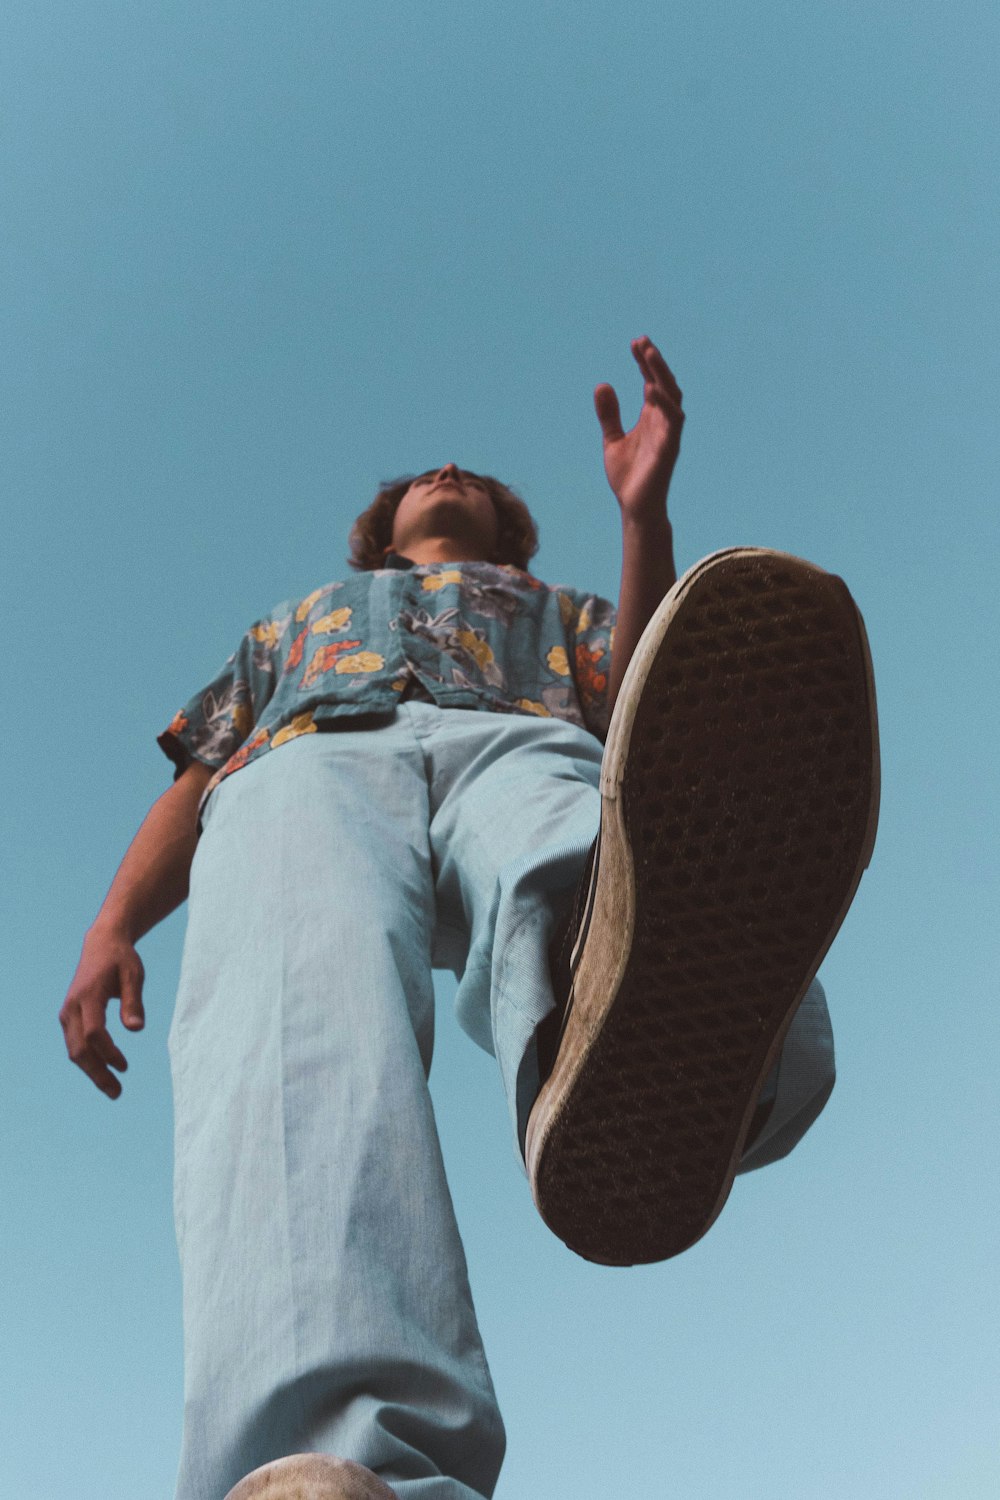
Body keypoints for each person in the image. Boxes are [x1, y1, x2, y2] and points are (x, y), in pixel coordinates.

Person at [59, 336, 880, 1500]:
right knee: (299, 1018)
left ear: (509, 532)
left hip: (522, 737)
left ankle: (636, 1034)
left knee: (573, 852)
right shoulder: (296, 622)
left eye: (473, 478)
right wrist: (112, 925)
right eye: (422, 476)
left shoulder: (554, 608)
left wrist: (644, 521)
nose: (446, 467)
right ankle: (332, 1468)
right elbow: (197, 775)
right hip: (305, 762)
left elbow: (644, 692)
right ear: (380, 532)